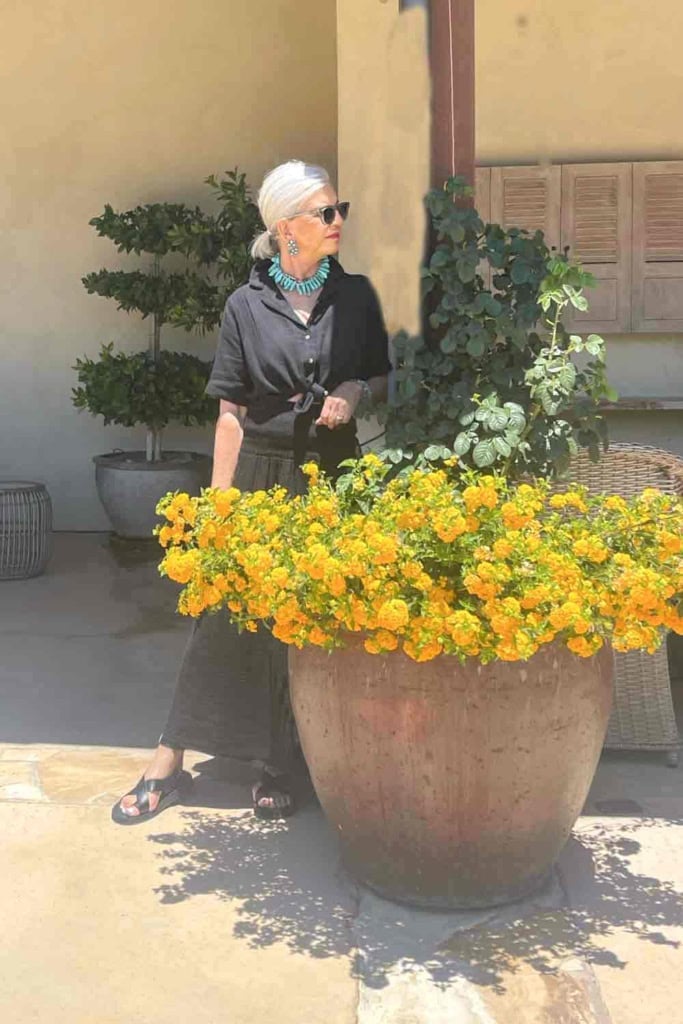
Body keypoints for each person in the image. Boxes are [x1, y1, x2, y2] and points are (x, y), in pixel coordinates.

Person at [112, 159, 391, 824]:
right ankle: (168, 761)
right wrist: (218, 510)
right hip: (259, 475)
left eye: (339, 209)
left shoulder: (355, 297)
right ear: (285, 227)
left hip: (331, 476)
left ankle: (280, 761)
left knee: (312, 620)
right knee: (225, 616)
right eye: (324, 213)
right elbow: (231, 413)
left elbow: (379, 374)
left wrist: (352, 390)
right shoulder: (245, 304)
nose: (338, 221)